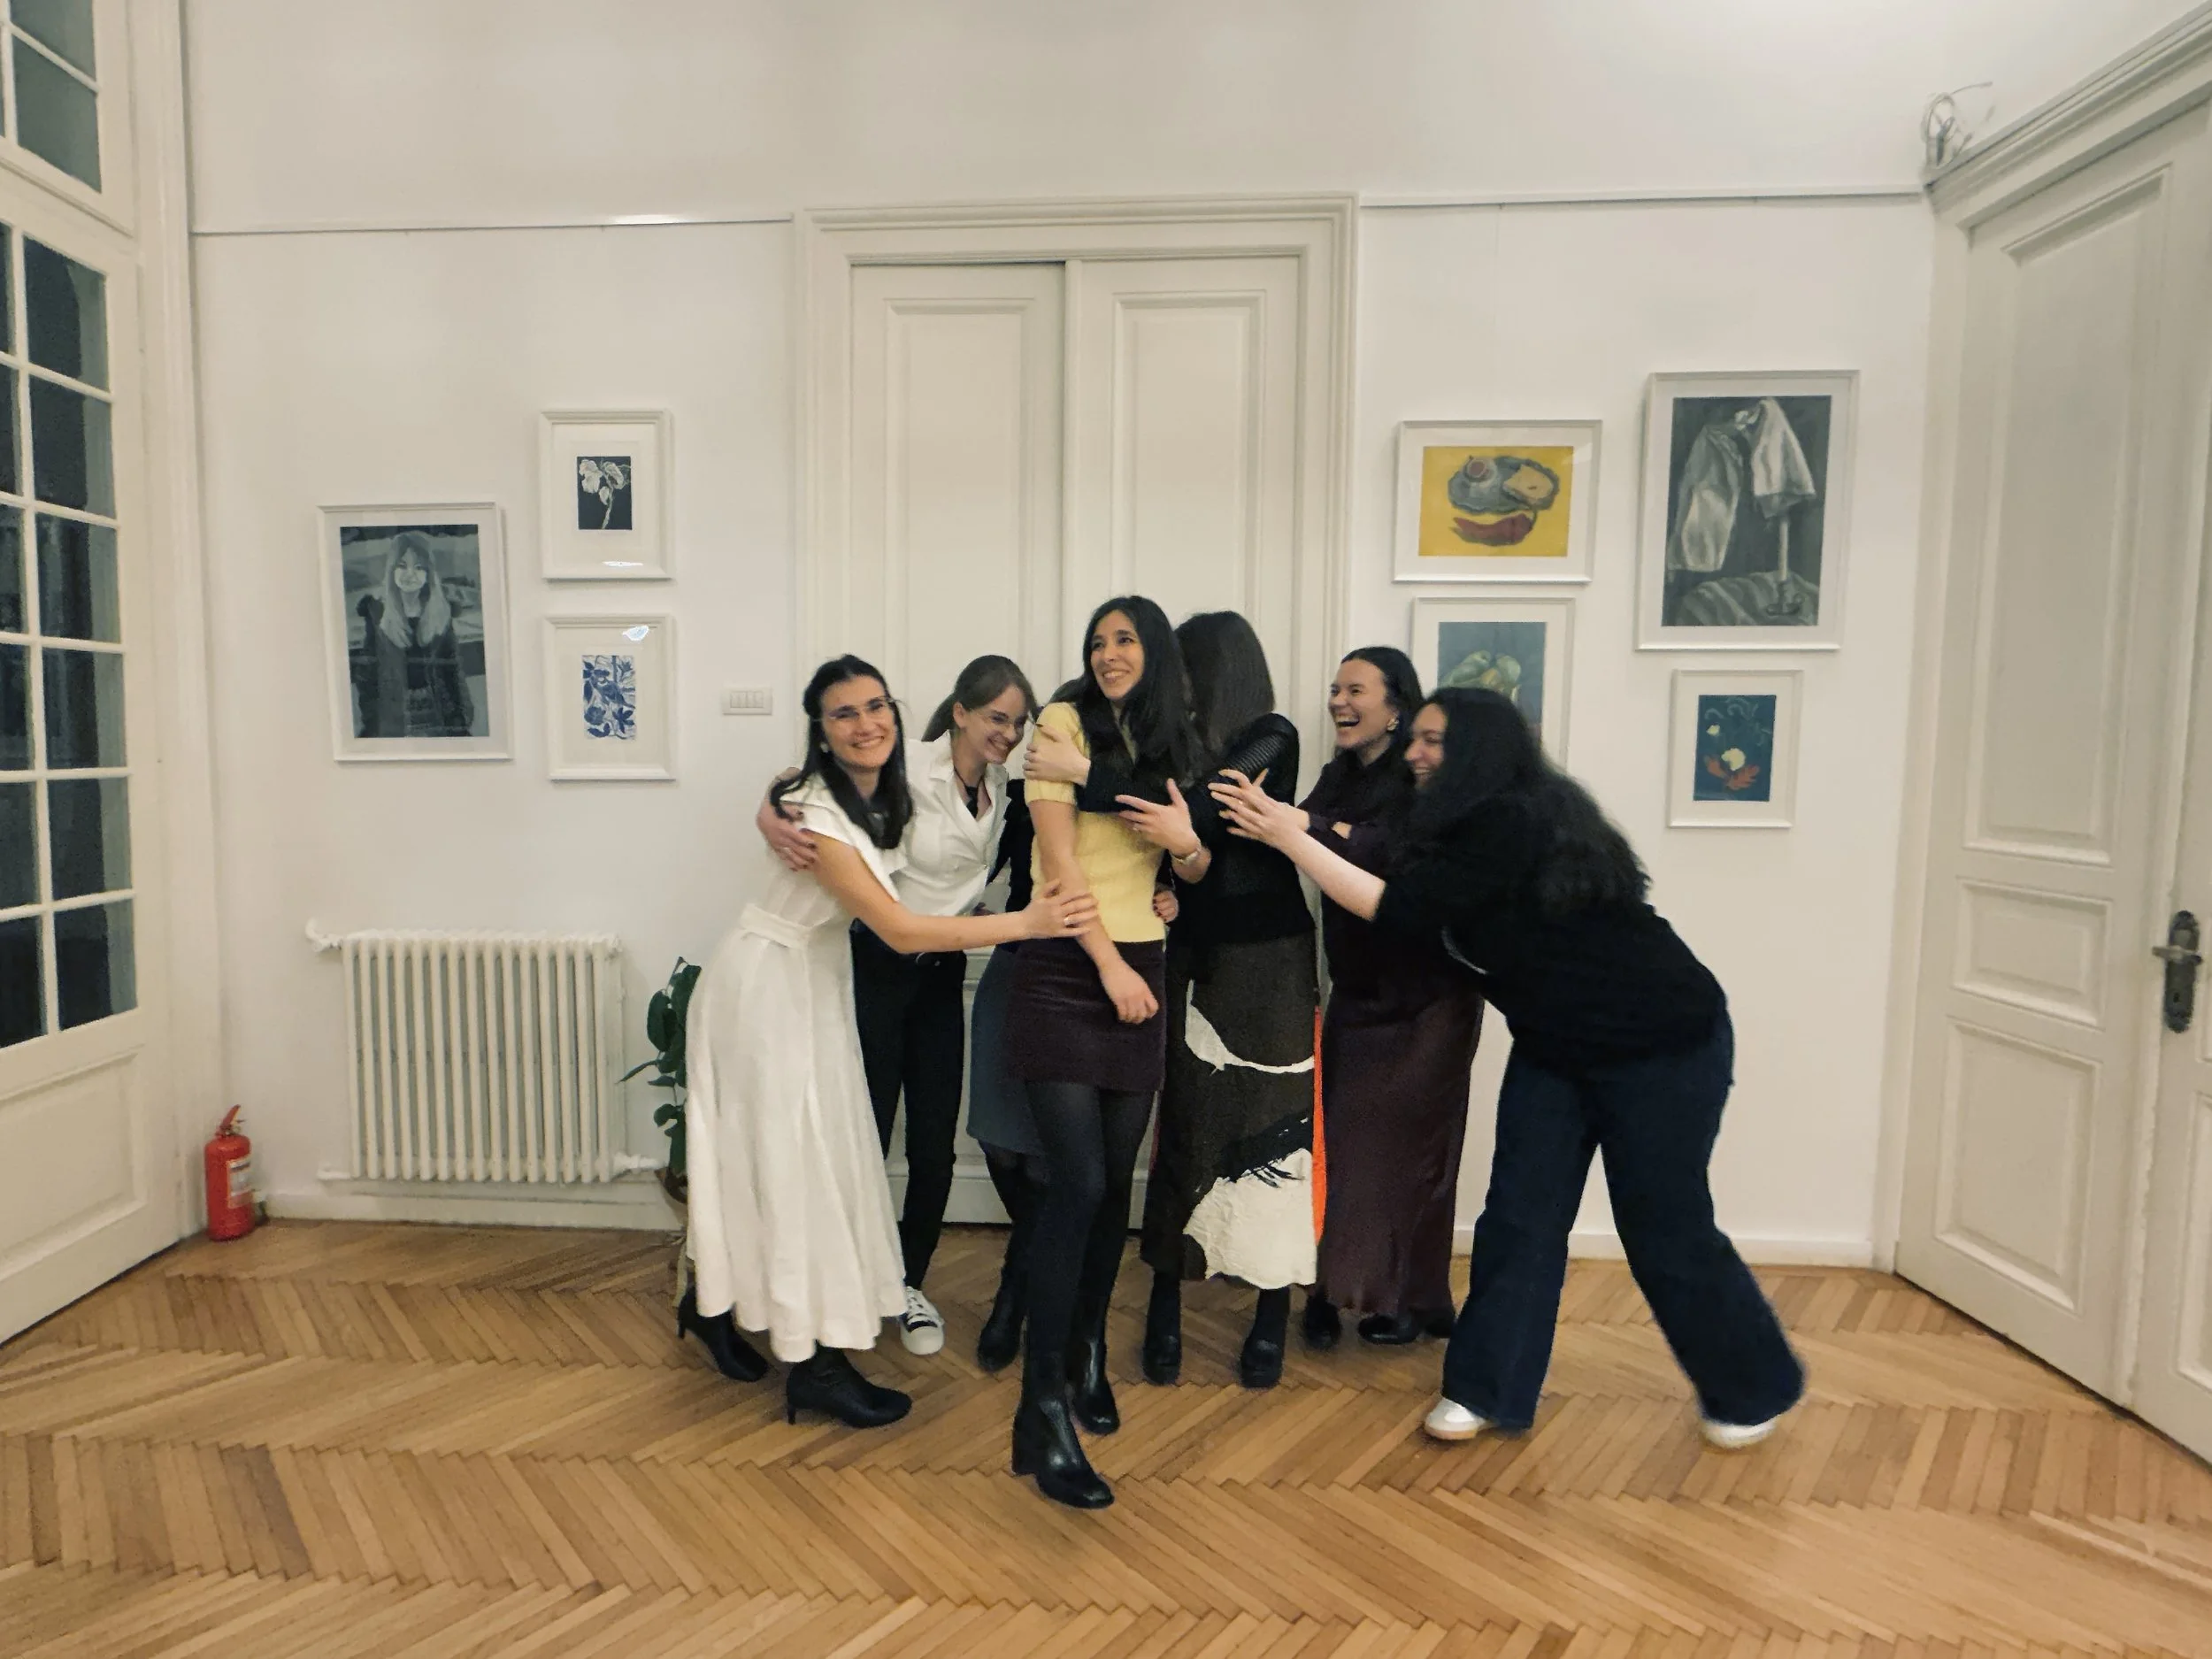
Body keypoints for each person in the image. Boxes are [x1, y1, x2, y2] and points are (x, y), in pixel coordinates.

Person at [1210, 688, 1805, 1448]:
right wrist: (1293, 823)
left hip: (1662, 1046)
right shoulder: (1452, 823)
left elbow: (1397, 906)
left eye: (1433, 741)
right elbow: (1374, 849)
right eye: (1416, 738)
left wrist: (1286, 836)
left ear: (1481, 753)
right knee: (1519, 1219)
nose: (1416, 754)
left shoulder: (1513, 821)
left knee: (1665, 1227)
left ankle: (1754, 1385)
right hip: (1556, 1047)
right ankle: (1484, 1389)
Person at [684, 656, 1093, 1430]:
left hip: (815, 977)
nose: (868, 723)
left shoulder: (882, 789)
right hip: (767, 985)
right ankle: (812, 1366)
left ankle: (712, 1302)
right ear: (822, 731)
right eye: (845, 714)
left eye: (878, 706)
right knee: (792, 1160)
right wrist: (1028, 923)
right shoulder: (818, 805)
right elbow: (900, 927)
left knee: (807, 1157)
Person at [1026, 611, 1317, 1390]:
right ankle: (1163, 1299)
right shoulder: (1156, 738)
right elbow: (1157, 845)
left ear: (1215, 669)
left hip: (1266, 958)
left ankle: (1268, 1313)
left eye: (1179, 663)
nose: (1164, 675)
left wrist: (1089, 776)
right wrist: (1167, 878)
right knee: (1183, 1128)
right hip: (1179, 948)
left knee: (1274, 1132)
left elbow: (1190, 811)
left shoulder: (1272, 733)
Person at [756, 655, 1037, 1358]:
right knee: (865, 1135)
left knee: (936, 1143)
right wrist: (767, 813)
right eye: (996, 717)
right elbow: (806, 791)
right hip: (877, 967)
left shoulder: (1007, 790)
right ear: (961, 712)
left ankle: (908, 1282)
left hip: (941, 975)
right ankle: (847, 1282)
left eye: (1019, 722)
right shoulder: (905, 764)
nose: (1008, 732)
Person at [1004, 595, 1202, 1510]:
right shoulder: (1057, 722)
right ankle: (1040, 1406)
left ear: (1153, 650)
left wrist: (1186, 865)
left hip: (1149, 964)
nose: (1108, 652)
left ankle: (1084, 1353)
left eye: (1124, 639)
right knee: (1076, 1183)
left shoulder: (1170, 745)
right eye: (1096, 640)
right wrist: (1110, 966)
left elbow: (1188, 858)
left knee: (1113, 1184)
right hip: (1069, 966)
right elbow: (1059, 865)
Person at [1295, 649, 1486, 1349]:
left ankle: (1405, 1298)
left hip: (1429, 998)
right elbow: (1302, 839)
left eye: (1355, 690)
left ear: (1396, 707)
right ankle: (1329, 1287)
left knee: (1415, 1157)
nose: (1339, 701)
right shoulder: (1336, 775)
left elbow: (1383, 853)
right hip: (1359, 990)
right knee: (1341, 1147)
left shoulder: (1421, 779)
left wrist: (1306, 828)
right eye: (1335, 688)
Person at [351, 532, 473, 737]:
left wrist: (459, 721)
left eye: (419, 568)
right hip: (394, 717)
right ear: (391, 570)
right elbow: (367, 676)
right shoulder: (377, 613)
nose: (410, 574)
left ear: (428, 575)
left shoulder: (441, 613)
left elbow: (453, 671)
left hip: (438, 713)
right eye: (402, 566)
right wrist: (373, 720)